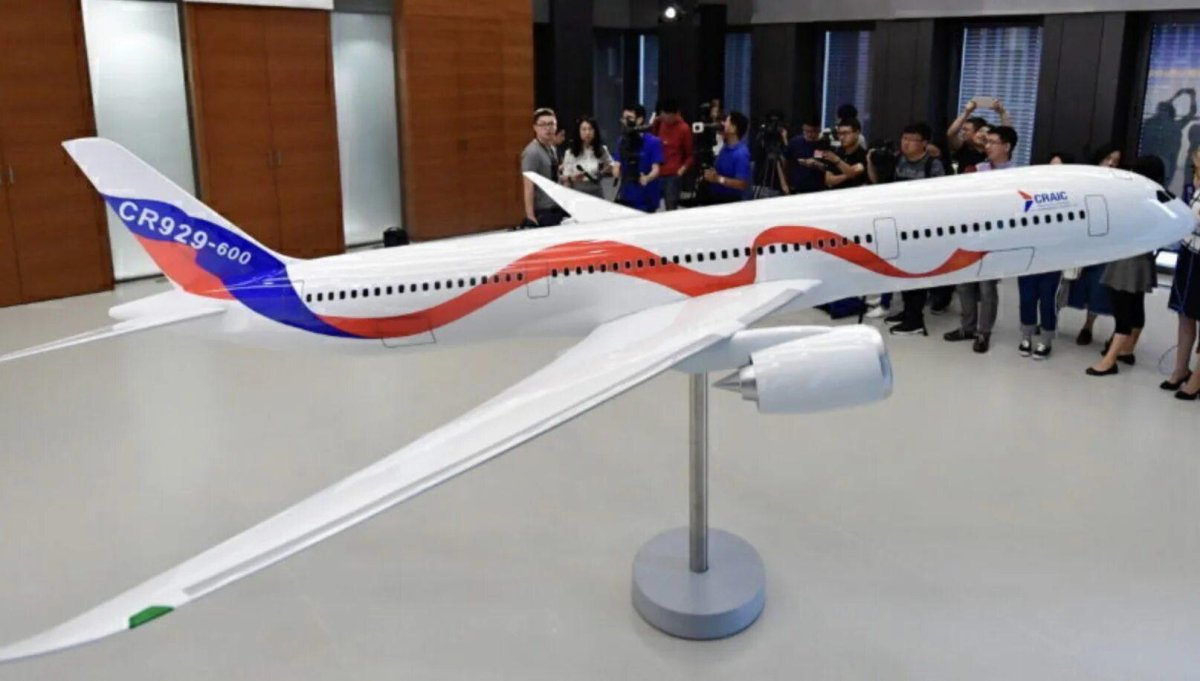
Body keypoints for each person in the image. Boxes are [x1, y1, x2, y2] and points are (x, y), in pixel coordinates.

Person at [1087, 156, 1165, 376]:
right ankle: (1127, 349)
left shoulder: (1139, 197)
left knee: (1122, 310)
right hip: (1141, 260)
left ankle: (1110, 360)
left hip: (1127, 260)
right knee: (1135, 305)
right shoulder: (1158, 196)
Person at [944, 125, 1017, 352]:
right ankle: (967, 327)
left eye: (993, 142)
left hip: (996, 237)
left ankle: (983, 333)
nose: (988, 146)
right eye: (987, 142)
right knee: (964, 283)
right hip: (970, 233)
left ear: (1007, 147)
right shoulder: (977, 169)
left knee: (987, 288)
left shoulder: (1015, 175)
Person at [882, 123, 946, 334]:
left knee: (917, 273)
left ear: (924, 143)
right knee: (902, 272)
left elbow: (939, 198)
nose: (906, 143)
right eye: (904, 138)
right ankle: (907, 311)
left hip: (922, 229)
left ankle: (915, 320)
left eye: (912, 139)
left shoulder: (933, 166)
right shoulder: (898, 161)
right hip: (900, 226)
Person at [1015, 151, 1072, 360]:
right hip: (1029, 256)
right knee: (1027, 298)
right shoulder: (1032, 192)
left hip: (1053, 258)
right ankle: (1026, 336)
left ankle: (1046, 339)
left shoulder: (1068, 197)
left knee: (1048, 300)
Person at [1065, 144, 1122, 344]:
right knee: (1074, 283)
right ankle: (1047, 322)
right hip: (1083, 241)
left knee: (1098, 286)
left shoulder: (1119, 187)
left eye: (1116, 161)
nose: (1111, 164)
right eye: (1108, 159)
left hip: (1105, 243)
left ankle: (1088, 325)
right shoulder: (1085, 181)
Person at [1166, 145, 1200, 399]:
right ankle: (1180, 369)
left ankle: (1196, 380)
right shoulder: (1194, 182)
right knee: (1185, 314)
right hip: (1189, 253)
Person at [612, 104, 664, 213]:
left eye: (629, 118)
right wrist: (615, 170)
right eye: (624, 118)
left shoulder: (653, 142)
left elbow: (656, 169)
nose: (625, 122)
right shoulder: (621, 141)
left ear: (640, 119)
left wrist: (647, 178)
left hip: (646, 195)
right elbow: (617, 163)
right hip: (626, 194)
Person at [521, 107, 566, 227]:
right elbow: (528, 186)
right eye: (543, 124)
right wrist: (530, 216)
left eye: (551, 124)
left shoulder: (552, 148)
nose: (548, 128)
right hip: (543, 210)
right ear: (535, 127)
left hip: (556, 206)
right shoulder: (532, 152)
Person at [650, 99, 693, 210]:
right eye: (664, 117)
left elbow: (690, 154)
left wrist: (682, 169)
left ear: (675, 114)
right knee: (652, 204)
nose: (666, 120)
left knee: (671, 206)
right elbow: (652, 143)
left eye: (669, 117)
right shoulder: (658, 123)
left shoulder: (684, 128)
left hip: (673, 175)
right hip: (657, 172)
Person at [701, 111, 752, 203]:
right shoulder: (725, 148)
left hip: (729, 200)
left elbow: (741, 184)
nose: (723, 124)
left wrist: (718, 179)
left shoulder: (741, 153)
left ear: (733, 128)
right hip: (715, 196)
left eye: (726, 121)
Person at [559, 115, 613, 199]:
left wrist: (603, 171)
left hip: (596, 192)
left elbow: (611, 165)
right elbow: (566, 178)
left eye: (590, 129)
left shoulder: (602, 149)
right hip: (577, 193)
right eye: (584, 129)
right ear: (578, 132)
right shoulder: (570, 153)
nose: (587, 132)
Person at [784, 115, 826, 195]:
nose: (810, 134)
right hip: (796, 188)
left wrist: (816, 164)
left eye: (813, 131)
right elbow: (785, 162)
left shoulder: (823, 144)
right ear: (803, 129)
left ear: (819, 130)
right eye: (807, 131)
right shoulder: (795, 142)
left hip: (817, 189)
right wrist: (785, 183)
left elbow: (828, 168)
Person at [822, 118, 868, 189]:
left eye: (846, 133)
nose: (842, 137)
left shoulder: (864, 155)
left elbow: (852, 174)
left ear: (857, 133)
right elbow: (828, 180)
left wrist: (837, 161)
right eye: (840, 134)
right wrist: (848, 174)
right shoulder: (836, 152)